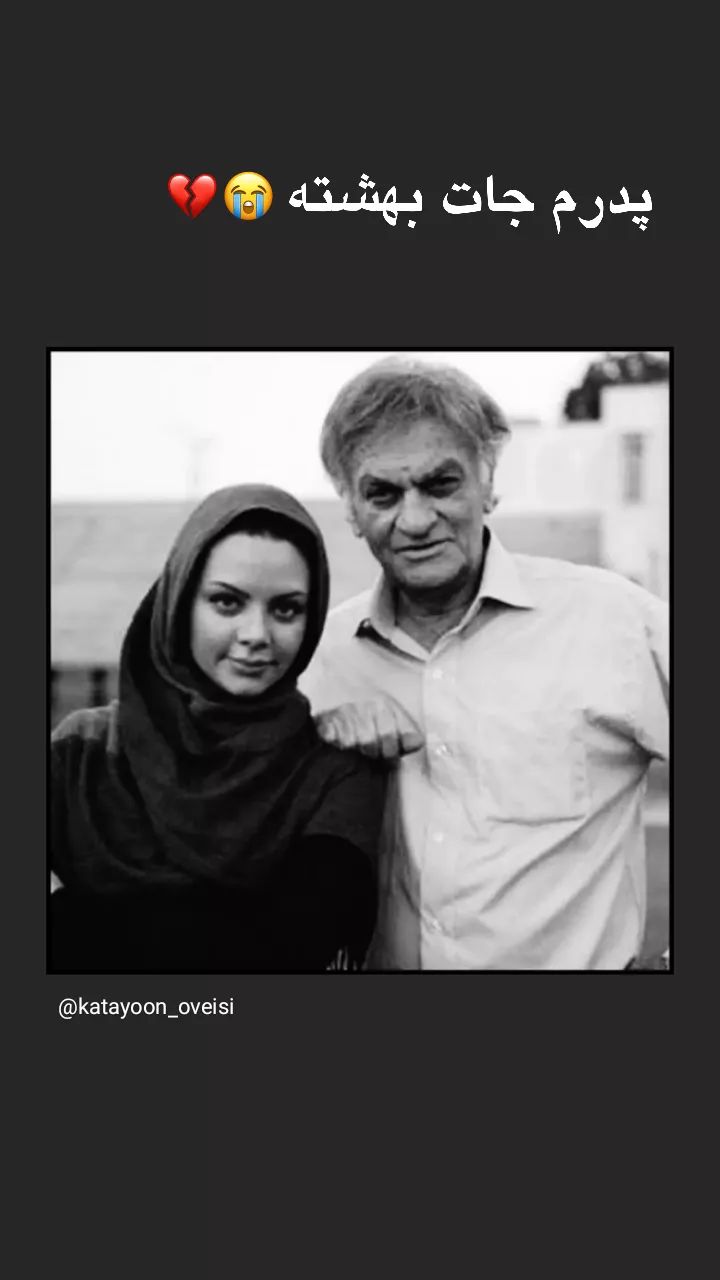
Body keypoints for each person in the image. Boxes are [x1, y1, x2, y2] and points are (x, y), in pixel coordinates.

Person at [299, 357, 670, 971]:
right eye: (383, 494)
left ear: (488, 479)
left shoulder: (613, 621)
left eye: (440, 484)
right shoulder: (322, 658)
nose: (415, 520)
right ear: (350, 507)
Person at [50, 485, 384, 973]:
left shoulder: (333, 772)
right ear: (179, 603)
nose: (256, 635)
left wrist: (70, 920)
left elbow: (289, 951)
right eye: (227, 603)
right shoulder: (82, 753)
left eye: (286, 609)